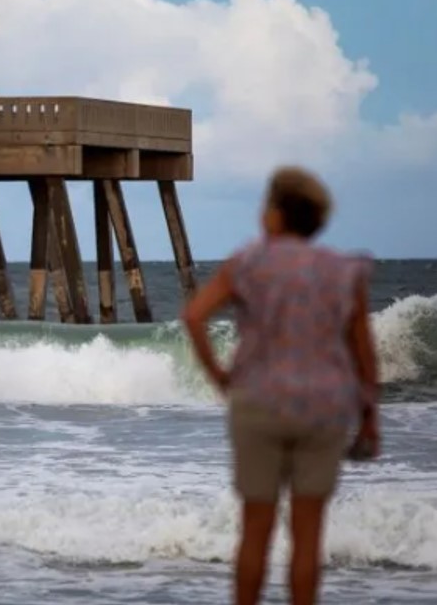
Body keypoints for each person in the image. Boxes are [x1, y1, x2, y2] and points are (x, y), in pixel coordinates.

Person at [181, 166, 380, 605]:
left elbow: (194, 316)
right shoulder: (344, 271)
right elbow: (365, 355)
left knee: (256, 531)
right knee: (307, 538)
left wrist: (220, 378)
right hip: (324, 409)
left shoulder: (248, 263)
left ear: (274, 215)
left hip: (258, 402)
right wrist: (370, 419)